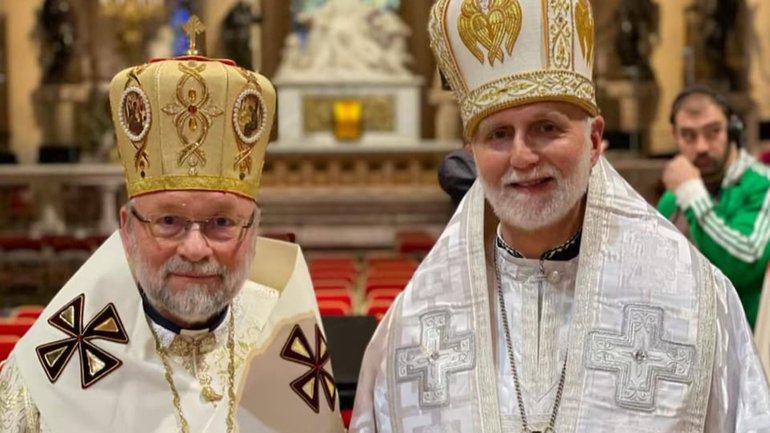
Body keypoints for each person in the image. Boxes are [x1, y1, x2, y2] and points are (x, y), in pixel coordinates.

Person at [350, 1, 770, 432]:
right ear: (471, 152)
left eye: (546, 127)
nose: (522, 155)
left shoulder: (693, 299)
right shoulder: (414, 329)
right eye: (498, 134)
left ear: (593, 140)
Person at [0, 17, 344, 433]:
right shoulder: (48, 374)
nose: (196, 249)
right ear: (127, 230)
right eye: (168, 221)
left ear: (253, 230)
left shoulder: (286, 341)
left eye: (221, 222)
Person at [657, 86, 770, 329]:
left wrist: (691, 192)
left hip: (748, 348)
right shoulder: (671, 199)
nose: (701, 147)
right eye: (688, 135)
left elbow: (744, 263)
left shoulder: (763, 185)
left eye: (713, 132)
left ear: (732, 129)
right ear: (675, 136)